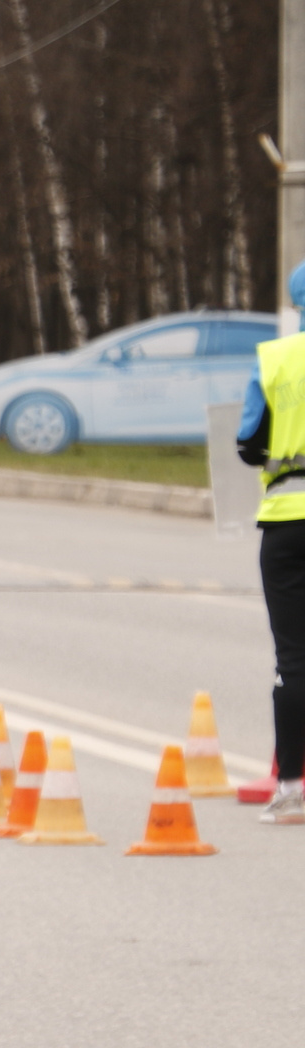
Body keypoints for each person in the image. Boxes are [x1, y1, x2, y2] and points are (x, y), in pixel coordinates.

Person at [235, 261, 305, 826]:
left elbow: (247, 444)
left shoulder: (275, 360)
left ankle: (291, 788)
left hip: (287, 522)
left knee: (295, 660)